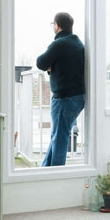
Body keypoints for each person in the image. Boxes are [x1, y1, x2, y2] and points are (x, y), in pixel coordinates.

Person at [36, 12, 85, 166]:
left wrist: (50, 67)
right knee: (58, 135)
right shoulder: (77, 43)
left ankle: (56, 175)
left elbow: (40, 62)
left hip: (65, 98)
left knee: (60, 138)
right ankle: (46, 170)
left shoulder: (59, 44)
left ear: (57, 26)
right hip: (76, 97)